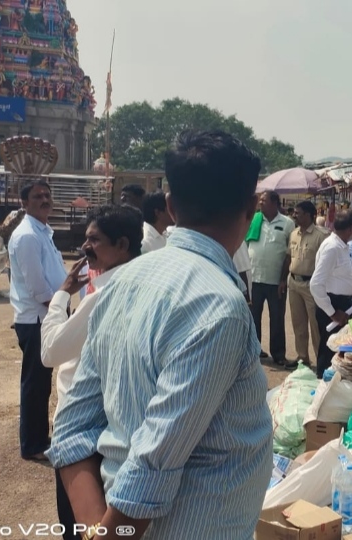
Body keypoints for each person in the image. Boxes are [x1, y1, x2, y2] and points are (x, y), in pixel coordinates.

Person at [46, 130, 272, 539]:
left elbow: (72, 423)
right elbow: (155, 460)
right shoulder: (220, 306)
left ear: (170, 205)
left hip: (116, 520)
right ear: (252, 207)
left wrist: (97, 529)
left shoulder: (123, 281)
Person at [41, 205, 142, 540]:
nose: (86, 248)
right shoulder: (138, 279)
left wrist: (60, 295)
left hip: (82, 422)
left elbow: (51, 352)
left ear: (122, 245)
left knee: (78, 523)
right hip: (111, 416)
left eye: (94, 240)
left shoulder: (105, 293)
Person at [8, 179, 66, 461]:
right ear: (25, 203)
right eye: (37, 196)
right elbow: (38, 289)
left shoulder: (43, 231)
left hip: (47, 317)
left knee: (42, 381)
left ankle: (38, 438)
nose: (44, 199)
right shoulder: (28, 236)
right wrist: (60, 307)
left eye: (47, 195)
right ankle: (32, 444)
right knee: (35, 383)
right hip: (36, 321)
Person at [246, 190, 296, 365]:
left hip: (275, 281)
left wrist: (283, 279)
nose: (260, 203)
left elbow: (289, 255)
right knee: (252, 318)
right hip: (254, 279)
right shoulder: (254, 220)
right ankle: (254, 351)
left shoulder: (287, 223)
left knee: (276, 318)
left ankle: (278, 354)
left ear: (275, 203)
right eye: (260, 200)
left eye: (264, 200)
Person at [311, 210, 352, 376]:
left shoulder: (341, 245)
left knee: (339, 350)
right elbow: (316, 284)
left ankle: (332, 386)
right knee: (329, 349)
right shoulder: (332, 247)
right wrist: (332, 312)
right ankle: (323, 384)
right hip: (333, 304)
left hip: (341, 303)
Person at [286, 200, 329, 370]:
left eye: (298, 213)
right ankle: (302, 358)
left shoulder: (321, 235)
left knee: (316, 325)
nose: (295, 216)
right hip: (294, 282)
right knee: (298, 323)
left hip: (312, 284)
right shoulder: (294, 233)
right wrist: (284, 279)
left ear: (310, 215)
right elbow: (289, 257)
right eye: (295, 213)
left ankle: (321, 360)